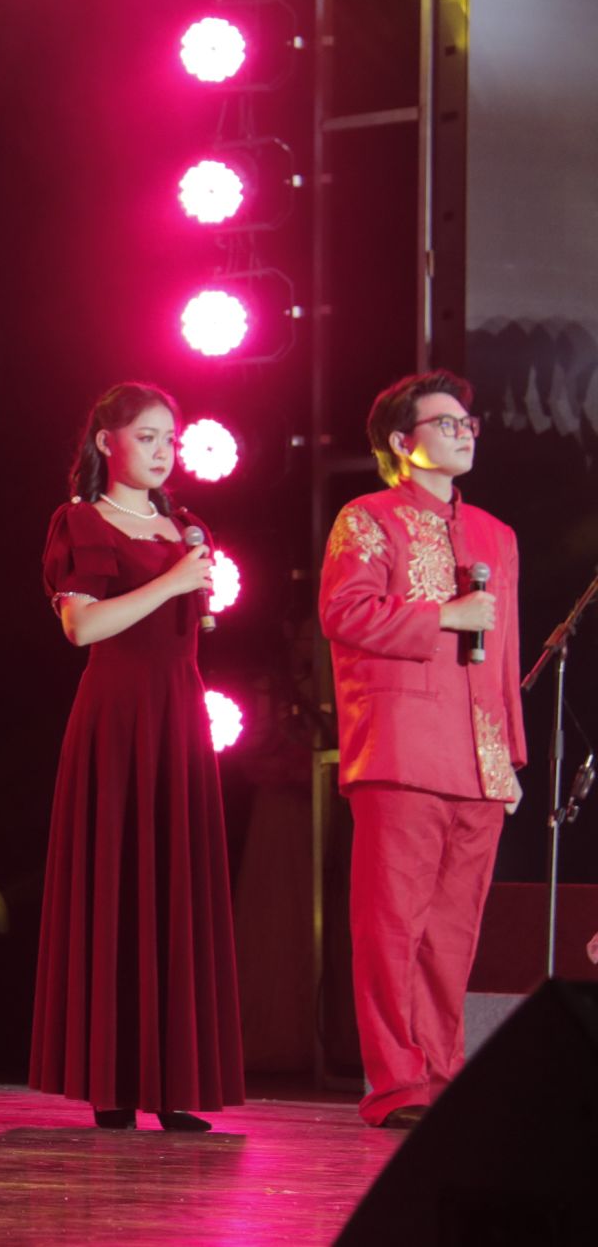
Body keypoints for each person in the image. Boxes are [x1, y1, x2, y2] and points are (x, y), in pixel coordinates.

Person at [29, 382, 243, 1133]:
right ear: (106, 442)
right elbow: (83, 628)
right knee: (118, 887)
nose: (162, 451)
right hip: (118, 718)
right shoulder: (82, 520)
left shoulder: (185, 525)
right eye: (147, 437)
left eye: (168, 439)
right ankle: (111, 1083)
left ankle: (171, 1082)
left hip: (179, 713)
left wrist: (188, 579)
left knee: (172, 887)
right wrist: (174, 581)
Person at [319, 370, 522, 1131]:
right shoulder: (368, 518)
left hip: (477, 758)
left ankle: (444, 1078)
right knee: (391, 927)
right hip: (401, 749)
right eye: (446, 423)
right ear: (403, 443)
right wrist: (445, 614)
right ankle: (397, 1083)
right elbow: (345, 611)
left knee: (452, 935)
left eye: (468, 421)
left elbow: (504, 656)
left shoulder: (497, 534)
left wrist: (509, 755)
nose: (464, 432)